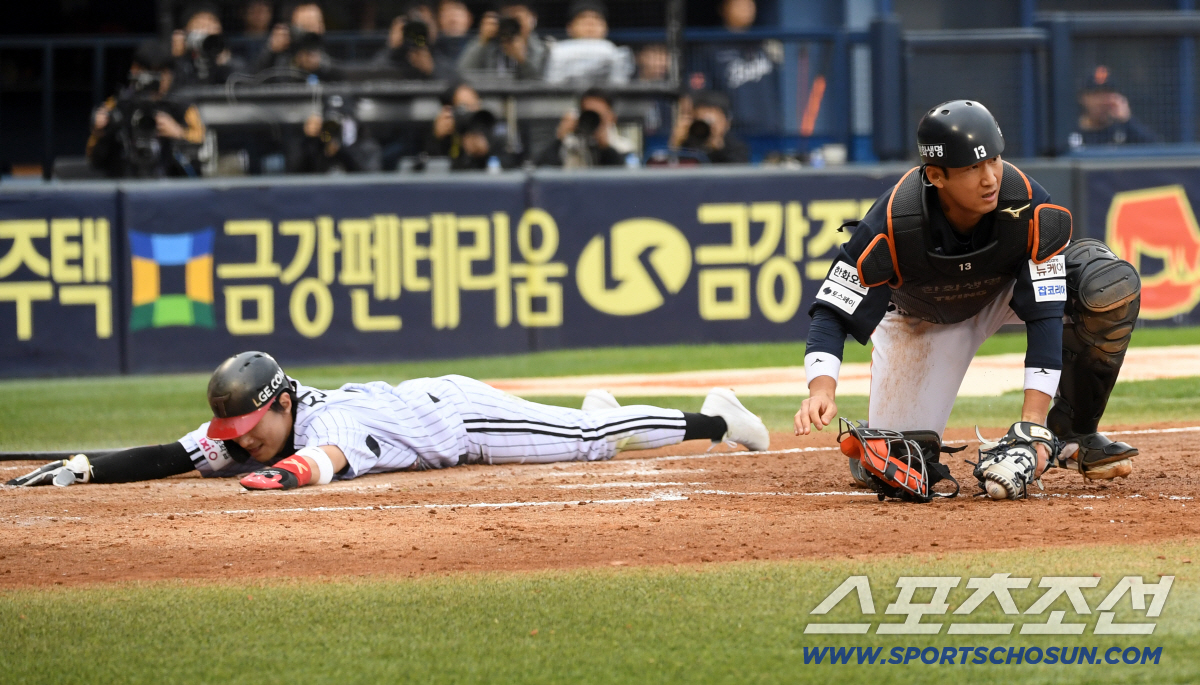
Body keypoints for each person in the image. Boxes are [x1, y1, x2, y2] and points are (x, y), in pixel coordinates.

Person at [794, 100, 1142, 501]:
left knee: (1106, 284)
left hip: (1000, 292)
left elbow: (1045, 313)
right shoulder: (894, 220)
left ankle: (1073, 431)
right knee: (903, 464)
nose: (990, 177)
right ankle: (882, 442)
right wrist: (822, 390)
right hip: (922, 317)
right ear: (936, 176)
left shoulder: (1028, 204)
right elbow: (833, 310)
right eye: (972, 167)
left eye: (994, 159)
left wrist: (1032, 424)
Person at [9, 351, 770, 490]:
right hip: (432, 409)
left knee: (589, 444)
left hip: (462, 419)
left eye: (249, 434)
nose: (239, 446)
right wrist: (86, 466)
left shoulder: (324, 424)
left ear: (278, 403)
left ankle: (714, 418)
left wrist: (278, 476)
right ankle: (603, 408)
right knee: (585, 432)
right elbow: (174, 453)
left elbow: (324, 464)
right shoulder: (262, 419)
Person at [87, 41, 206, 178]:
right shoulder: (118, 106)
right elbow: (94, 160)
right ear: (134, 70)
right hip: (125, 182)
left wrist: (179, 134)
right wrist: (101, 132)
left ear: (170, 75)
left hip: (169, 186)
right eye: (148, 71)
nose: (154, 79)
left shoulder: (182, 108)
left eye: (161, 72)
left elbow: (202, 152)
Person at [687, 0, 782, 135]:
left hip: (769, 128)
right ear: (723, 9)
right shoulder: (709, 47)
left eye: (749, 3)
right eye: (739, 4)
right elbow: (700, 93)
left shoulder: (763, 43)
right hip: (733, 132)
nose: (746, 9)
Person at [534, 87, 634, 168]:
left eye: (598, 116)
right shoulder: (569, 146)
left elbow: (624, 183)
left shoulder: (624, 147)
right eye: (588, 115)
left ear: (612, 118)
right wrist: (560, 140)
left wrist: (605, 148)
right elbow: (542, 175)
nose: (592, 120)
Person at [543, 0, 633, 86]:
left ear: (606, 28)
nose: (590, 24)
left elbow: (619, 90)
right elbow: (552, 90)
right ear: (569, 28)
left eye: (596, 19)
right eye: (583, 18)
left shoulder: (616, 53)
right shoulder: (557, 52)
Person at [1069, 65, 1159, 148]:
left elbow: (1155, 151)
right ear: (1083, 98)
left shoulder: (1124, 130)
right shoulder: (1069, 130)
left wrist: (1127, 120)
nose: (1102, 101)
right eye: (1096, 94)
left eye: (1107, 93)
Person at [457, 0, 548, 80]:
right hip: (490, 97)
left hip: (526, 98)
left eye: (517, 19)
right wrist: (481, 41)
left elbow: (542, 84)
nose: (512, 24)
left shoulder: (541, 48)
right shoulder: (488, 44)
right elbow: (463, 74)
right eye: (508, 18)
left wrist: (522, 60)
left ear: (532, 19)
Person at [172, 3, 244, 86]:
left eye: (210, 26)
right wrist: (176, 58)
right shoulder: (182, 62)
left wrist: (226, 63)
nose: (205, 32)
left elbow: (242, 88)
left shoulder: (232, 60)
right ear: (186, 31)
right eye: (200, 26)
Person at [670, 90, 749, 164]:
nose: (709, 126)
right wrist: (675, 144)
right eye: (702, 120)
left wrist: (718, 150)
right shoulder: (688, 146)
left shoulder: (736, 149)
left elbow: (734, 175)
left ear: (727, 123)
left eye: (712, 121)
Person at [255, 1, 328, 74]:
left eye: (312, 26)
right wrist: (271, 51)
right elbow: (256, 78)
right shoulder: (282, 56)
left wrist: (320, 66)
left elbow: (338, 73)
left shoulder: (331, 49)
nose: (308, 32)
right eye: (304, 26)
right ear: (292, 28)